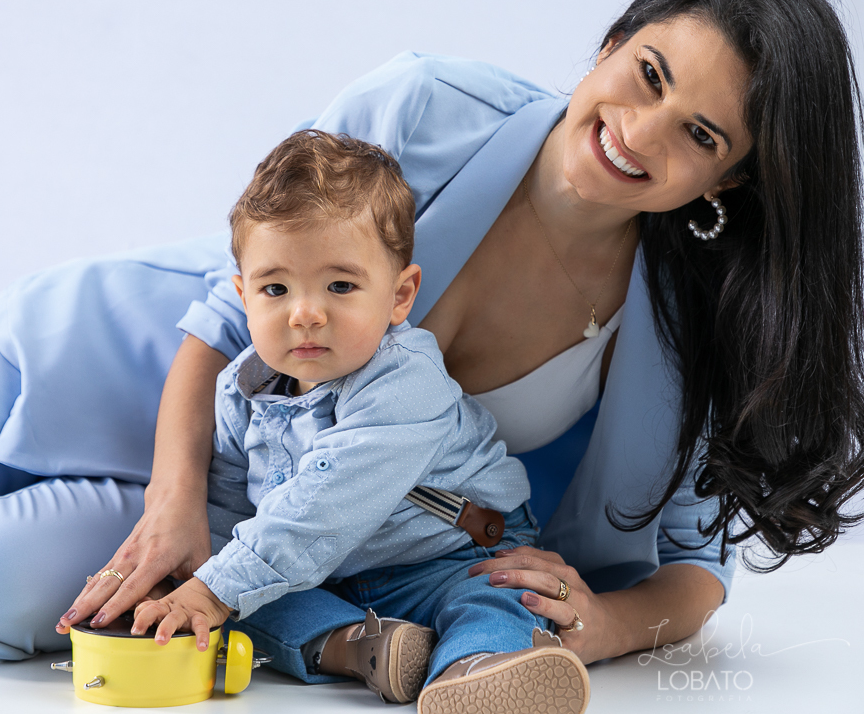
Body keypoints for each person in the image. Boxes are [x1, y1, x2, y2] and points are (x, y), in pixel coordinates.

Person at [0, 0, 862, 708]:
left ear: (728, 181)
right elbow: (210, 314)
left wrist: (604, 624)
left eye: (700, 134)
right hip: (121, 378)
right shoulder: (428, 105)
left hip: (262, 523)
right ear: (609, 43)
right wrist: (170, 503)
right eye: (649, 72)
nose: (641, 131)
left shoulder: (688, 332)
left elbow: (695, 568)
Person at [107, 128, 578, 707]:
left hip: (451, 555)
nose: (305, 313)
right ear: (244, 298)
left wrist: (213, 591)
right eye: (275, 289)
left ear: (399, 295)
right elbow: (229, 511)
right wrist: (196, 584)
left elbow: (322, 507)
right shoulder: (238, 391)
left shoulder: (406, 380)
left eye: (339, 285)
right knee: (246, 593)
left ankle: (478, 668)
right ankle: (363, 648)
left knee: (495, 596)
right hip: (326, 577)